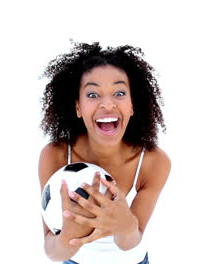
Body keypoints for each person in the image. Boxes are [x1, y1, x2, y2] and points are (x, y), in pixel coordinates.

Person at [38, 41, 171, 264]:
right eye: (92, 95)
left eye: (119, 93)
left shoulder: (153, 162)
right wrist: (68, 237)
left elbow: (129, 242)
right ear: (78, 107)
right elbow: (52, 252)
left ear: (132, 105)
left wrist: (125, 224)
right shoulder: (56, 155)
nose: (107, 104)